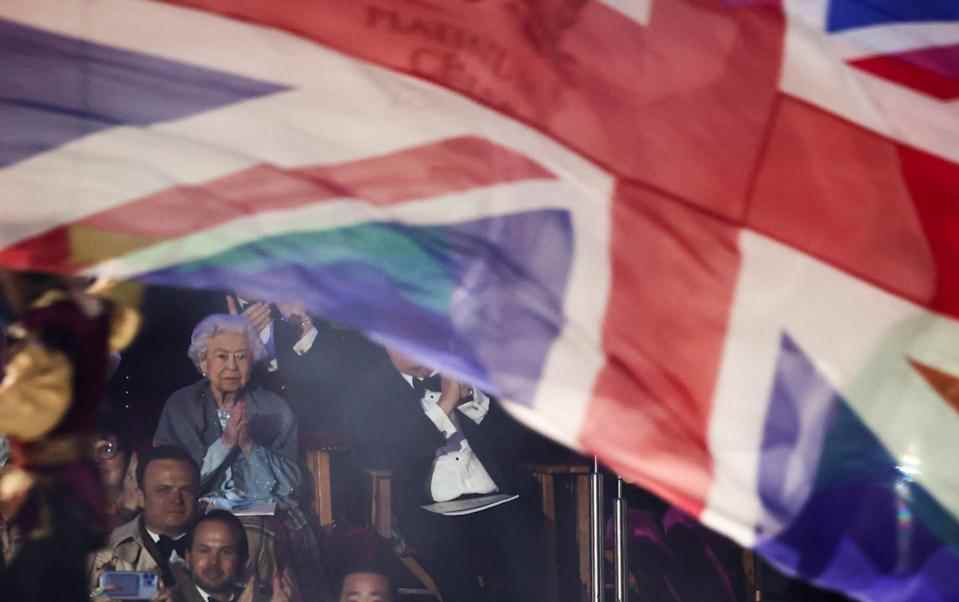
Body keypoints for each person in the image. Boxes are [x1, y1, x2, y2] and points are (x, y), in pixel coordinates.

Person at [346, 346, 548, 602]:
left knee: (522, 539)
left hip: (497, 498)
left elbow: (521, 444)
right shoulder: (374, 389)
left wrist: (473, 400)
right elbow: (387, 453)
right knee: (450, 556)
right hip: (430, 507)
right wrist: (444, 406)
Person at [153, 314, 324, 599]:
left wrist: (248, 446)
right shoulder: (181, 406)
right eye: (222, 356)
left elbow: (291, 485)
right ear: (204, 363)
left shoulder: (274, 408)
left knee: (260, 532)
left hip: (265, 512)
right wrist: (225, 443)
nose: (232, 366)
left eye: (241, 357)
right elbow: (175, 477)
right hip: (197, 510)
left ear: (252, 362)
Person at [89, 445, 200, 598]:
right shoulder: (106, 551)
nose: (176, 499)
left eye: (186, 490)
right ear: (140, 497)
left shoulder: (228, 541)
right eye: (163, 490)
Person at [169, 509, 300, 602]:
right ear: (188, 557)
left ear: (244, 561)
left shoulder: (267, 598)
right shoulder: (167, 594)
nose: (214, 562)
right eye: (204, 551)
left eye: (226, 552)